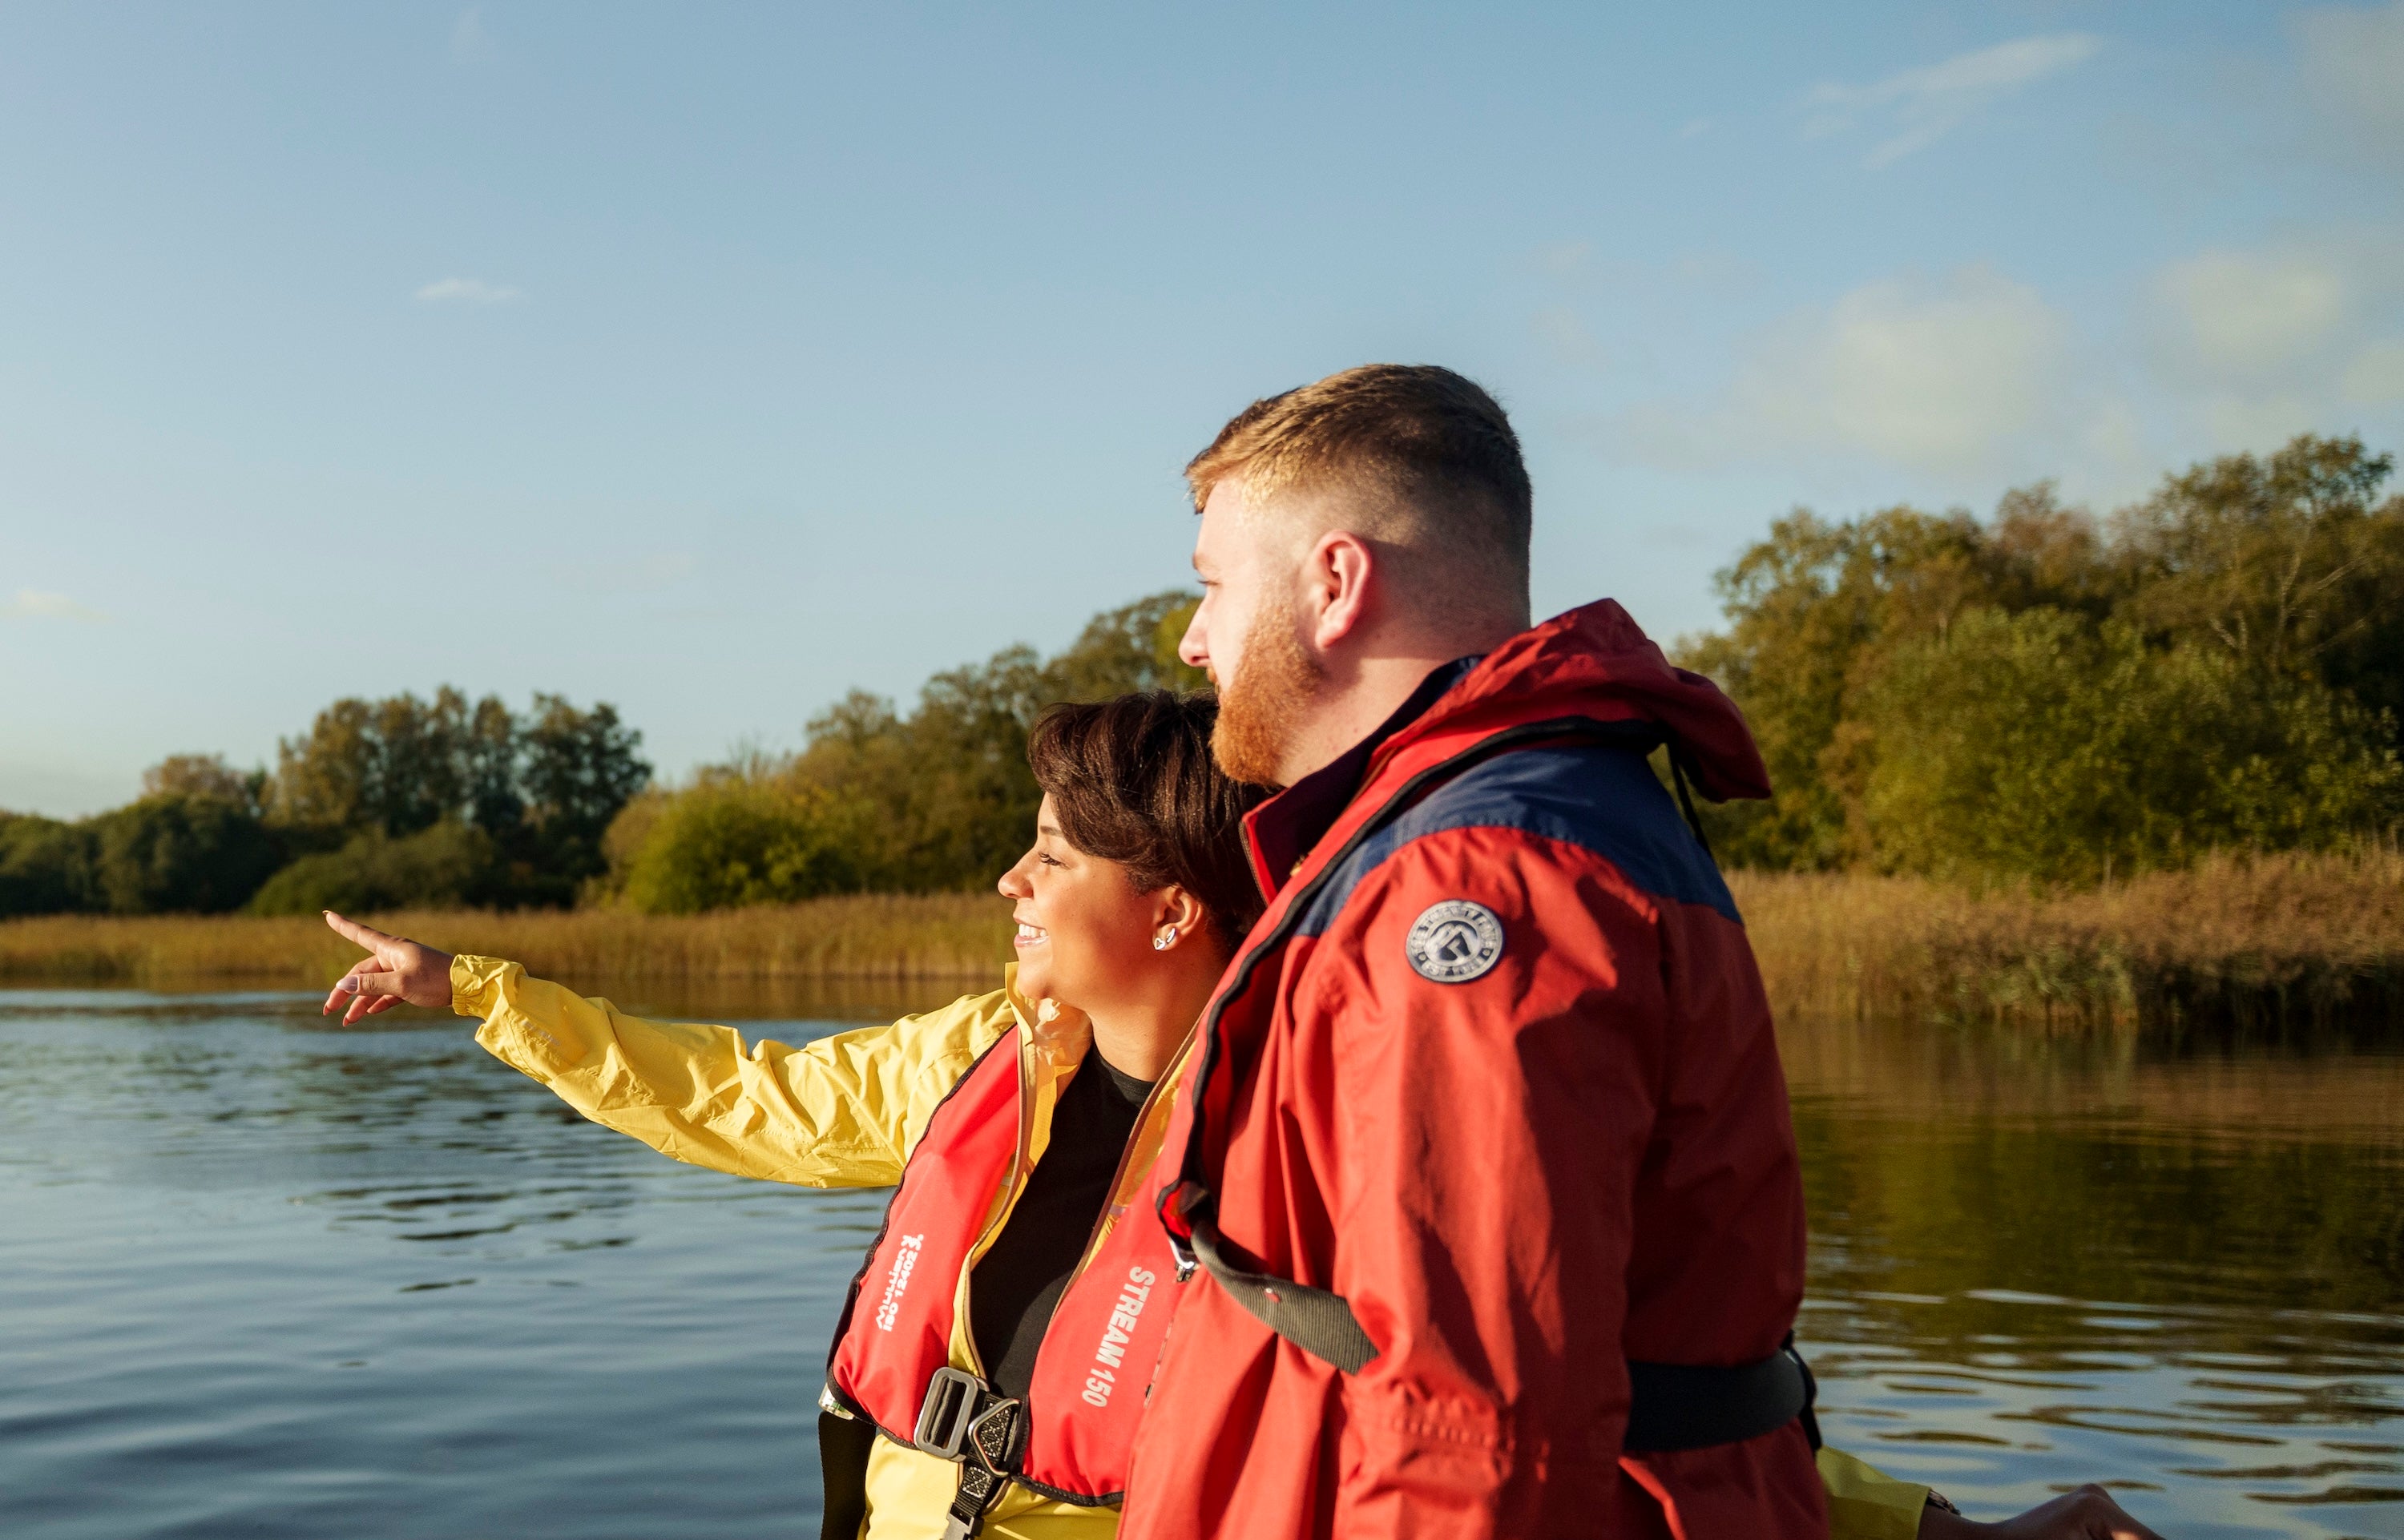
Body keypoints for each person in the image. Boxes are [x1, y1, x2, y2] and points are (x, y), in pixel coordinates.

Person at [317, 691, 2156, 1540]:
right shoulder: (982, 1058)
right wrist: (477, 988)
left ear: (1173, 910)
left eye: (1051, 858)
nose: (1010, 888)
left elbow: (1572, 1409)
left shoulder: (1308, 1140)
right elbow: (737, 1092)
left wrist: (1944, 1537)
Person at [1113, 365, 2169, 1540]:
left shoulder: (1478, 882)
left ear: (1336, 582)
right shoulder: (1506, 826)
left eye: (1211, 588)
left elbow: (1476, 1426)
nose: (1198, 642)